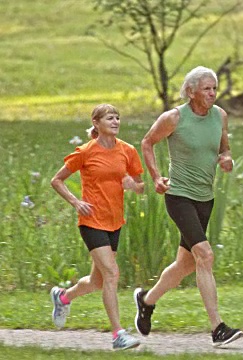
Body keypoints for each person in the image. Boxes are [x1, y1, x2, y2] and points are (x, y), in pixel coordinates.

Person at [135, 66, 242, 347]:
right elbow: (147, 142)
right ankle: (218, 328)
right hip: (179, 196)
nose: (212, 93)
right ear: (191, 91)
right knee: (204, 256)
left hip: (205, 199)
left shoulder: (220, 116)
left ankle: (146, 301)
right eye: (206, 88)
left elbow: (224, 148)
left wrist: (227, 159)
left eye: (214, 88)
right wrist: (156, 177)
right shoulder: (174, 118)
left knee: (185, 265)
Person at [50, 104, 144, 351]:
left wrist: (132, 185)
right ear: (96, 123)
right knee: (112, 274)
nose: (115, 121)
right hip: (91, 221)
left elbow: (141, 184)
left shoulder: (128, 151)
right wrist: (75, 201)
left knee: (98, 281)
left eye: (118, 117)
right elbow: (56, 180)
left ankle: (63, 297)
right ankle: (118, 335)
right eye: (110, 118)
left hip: (115, 222)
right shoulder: (85, 152)